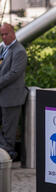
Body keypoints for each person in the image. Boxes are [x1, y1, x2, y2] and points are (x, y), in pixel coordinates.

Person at [0, 23, 28, 160]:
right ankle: (7, 153)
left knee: (9, 132)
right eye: (2, 34)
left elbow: (14, 74)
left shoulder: (19, 51)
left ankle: (7, 158)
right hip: (2, 96)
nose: (4, 37)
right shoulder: (3, 49)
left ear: (13, 33)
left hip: (12, 98)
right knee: (5, 131)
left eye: (6, 34)